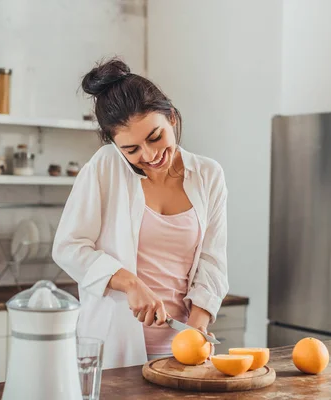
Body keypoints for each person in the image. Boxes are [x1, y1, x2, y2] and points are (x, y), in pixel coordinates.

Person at [52, 58, 228, 369]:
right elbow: (68, 248)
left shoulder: (208, 175)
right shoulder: (105, 166)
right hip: (113, 349)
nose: (149, 156)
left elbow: (212, 262)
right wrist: (129, 283)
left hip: (181, 350)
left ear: (171, 117)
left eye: (155, 137)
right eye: (131, 150)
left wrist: (197, 326)